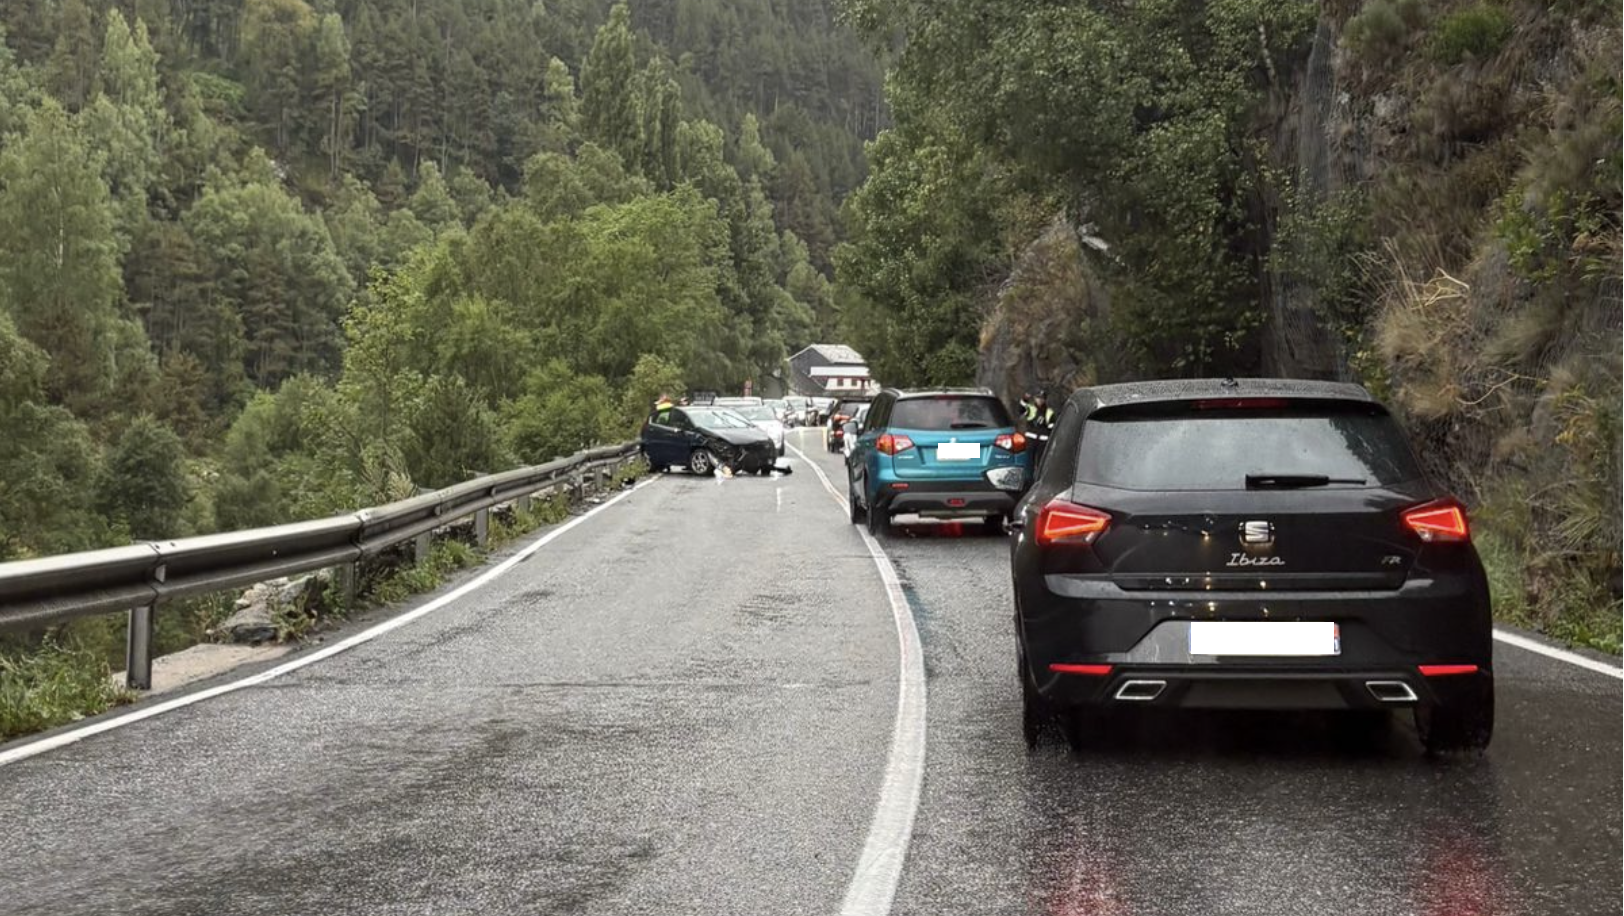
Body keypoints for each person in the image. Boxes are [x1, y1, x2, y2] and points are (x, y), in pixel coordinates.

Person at [1028, 391, 1056, 467]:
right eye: (1038, 398)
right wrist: (1024, 399)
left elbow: (1052, 426)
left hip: (1043, 441)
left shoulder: (1049, 412)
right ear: (1034, 398)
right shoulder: (1030, 409)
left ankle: (1038, 477)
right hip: (1031, 440)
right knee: (1029, 461)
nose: (1040, 400)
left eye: (1042, 398)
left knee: (1041, 462)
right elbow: (1021, 411)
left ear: (1044, 400)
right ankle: (1028, 477)